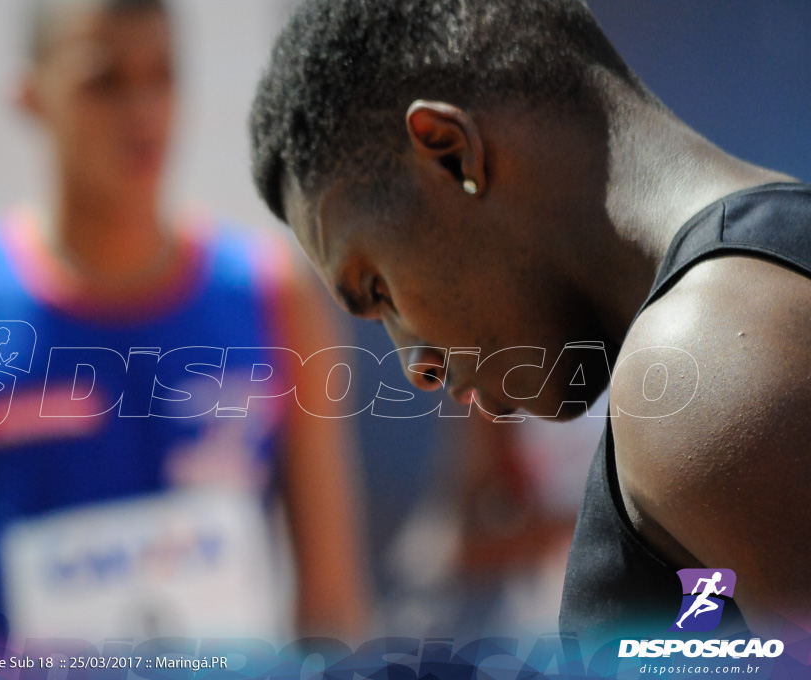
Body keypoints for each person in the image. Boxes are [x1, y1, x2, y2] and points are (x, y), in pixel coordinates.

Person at [248, 0, 810, 646]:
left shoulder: (707, 363)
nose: (416, 365)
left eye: (380, 292)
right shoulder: (764, 280)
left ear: (452, 155)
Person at [0, 0, 365, 650]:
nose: (142, 111)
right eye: (104, 81)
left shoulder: (274, 295)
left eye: (163, 76)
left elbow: (333, 606)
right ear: (31, 97)